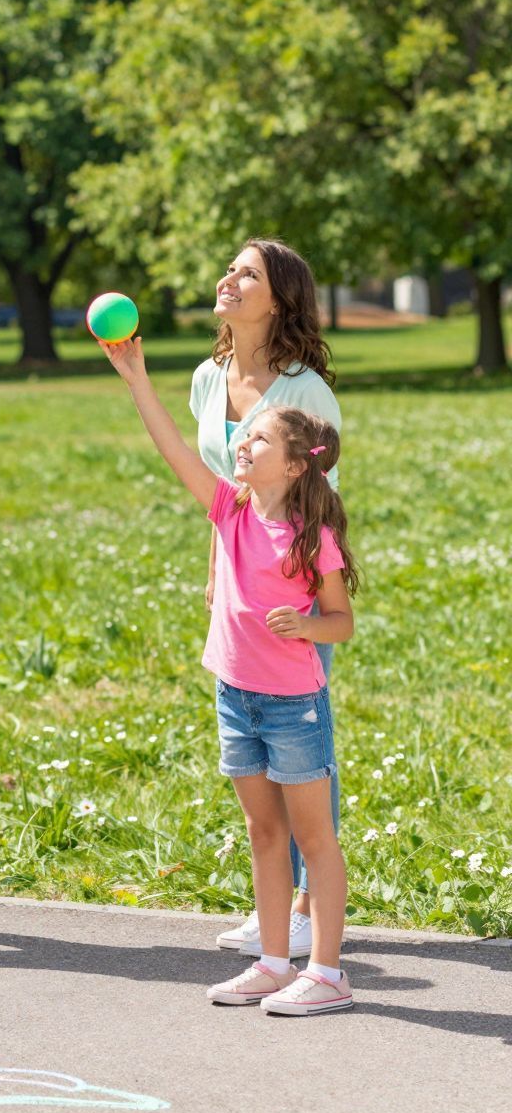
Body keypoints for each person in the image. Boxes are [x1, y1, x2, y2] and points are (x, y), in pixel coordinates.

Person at [102, 336, 360, 1015]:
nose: (241, 444)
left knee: (313, 837)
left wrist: (307, 627)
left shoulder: (312, 535)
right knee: (262, 833)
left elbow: (341, 621)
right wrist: (136, 379)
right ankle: (275, 962)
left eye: (258, 439)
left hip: (294, 705)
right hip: (236, 697)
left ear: (298, 462)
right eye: (242, 436)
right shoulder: (231, 510)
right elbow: (176, 450)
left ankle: (327, 972)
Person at [191, 240, 343, 962]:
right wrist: (221, 580)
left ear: (279, 299)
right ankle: (279, 906)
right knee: (256, 756)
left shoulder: (303, 391)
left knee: (304, 753)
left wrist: (301, 600)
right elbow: (217, 498)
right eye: (231, 268)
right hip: (234, 588)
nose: (230, 278)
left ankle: (312, 907)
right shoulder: (205, 378)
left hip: (290, 590)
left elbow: (321, 502)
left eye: (247, 272)